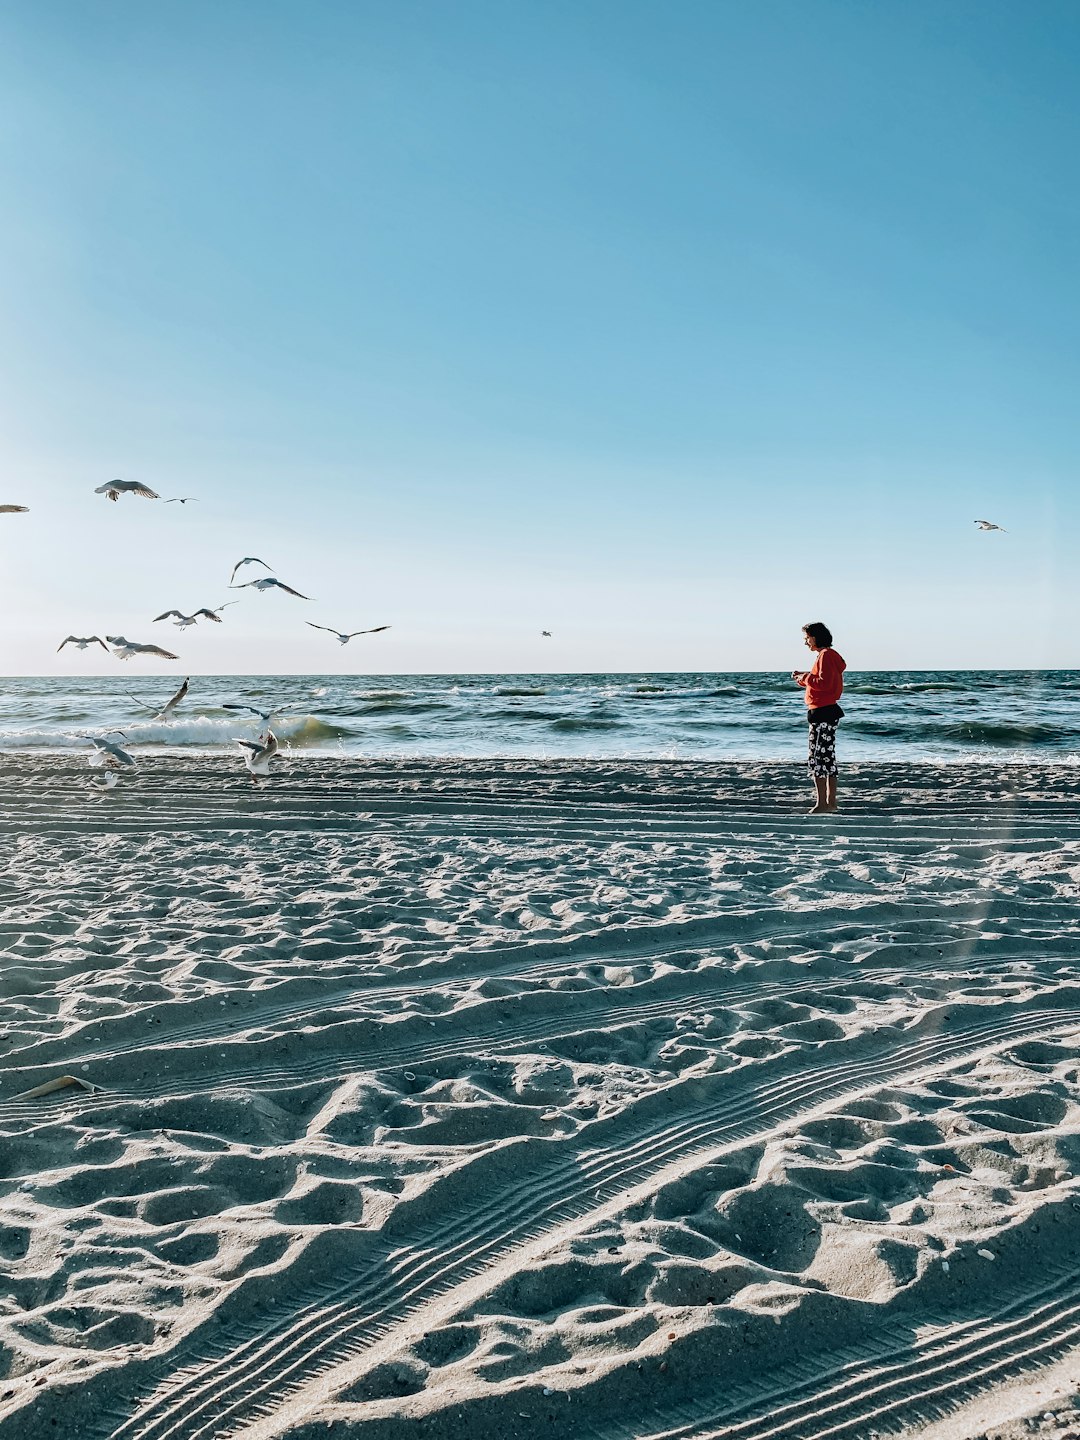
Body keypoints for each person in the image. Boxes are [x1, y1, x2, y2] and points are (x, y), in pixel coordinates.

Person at [792, 622, 846, 813]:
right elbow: (824, 682)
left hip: (822, 712)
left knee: (818, 759)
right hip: (826, 711)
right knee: (828, 758)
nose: (805, 642)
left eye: (807, 637)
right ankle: (830, 803)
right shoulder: (828, 656)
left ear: (815, 637)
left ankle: (823, 803)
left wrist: (805, 678)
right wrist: (804, 677)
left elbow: (822, 683)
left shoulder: (825, 656)